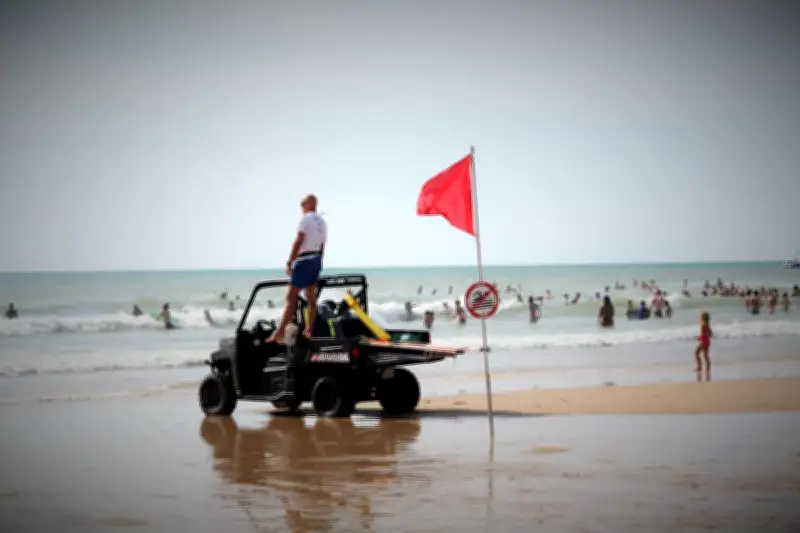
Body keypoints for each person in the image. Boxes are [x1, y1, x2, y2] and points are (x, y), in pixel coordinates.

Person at [267, 194, 327, 342]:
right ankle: (308, 330)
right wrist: (319, 263)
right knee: (311, 298)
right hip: (316, 260)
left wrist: (290, 262)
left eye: (302, 204)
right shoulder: (322, 222)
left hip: (304, 260)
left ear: (309, 204)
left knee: (291, 297)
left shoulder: (306, 219)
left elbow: (299, 240)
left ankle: (280, 332)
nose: (301, 207)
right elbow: (322, 246)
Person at [695, 312, 713, 380]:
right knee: (705, 355)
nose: (700, 318)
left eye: (701, 316)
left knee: (696, 353)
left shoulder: (703, 325)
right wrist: (705, 337)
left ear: (703, 318)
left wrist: (699, 338)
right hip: (707, 342)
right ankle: (708, 367)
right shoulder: (708, 324)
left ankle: (699, 367)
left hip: (703, 342)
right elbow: (711, 334)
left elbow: (702, 334)